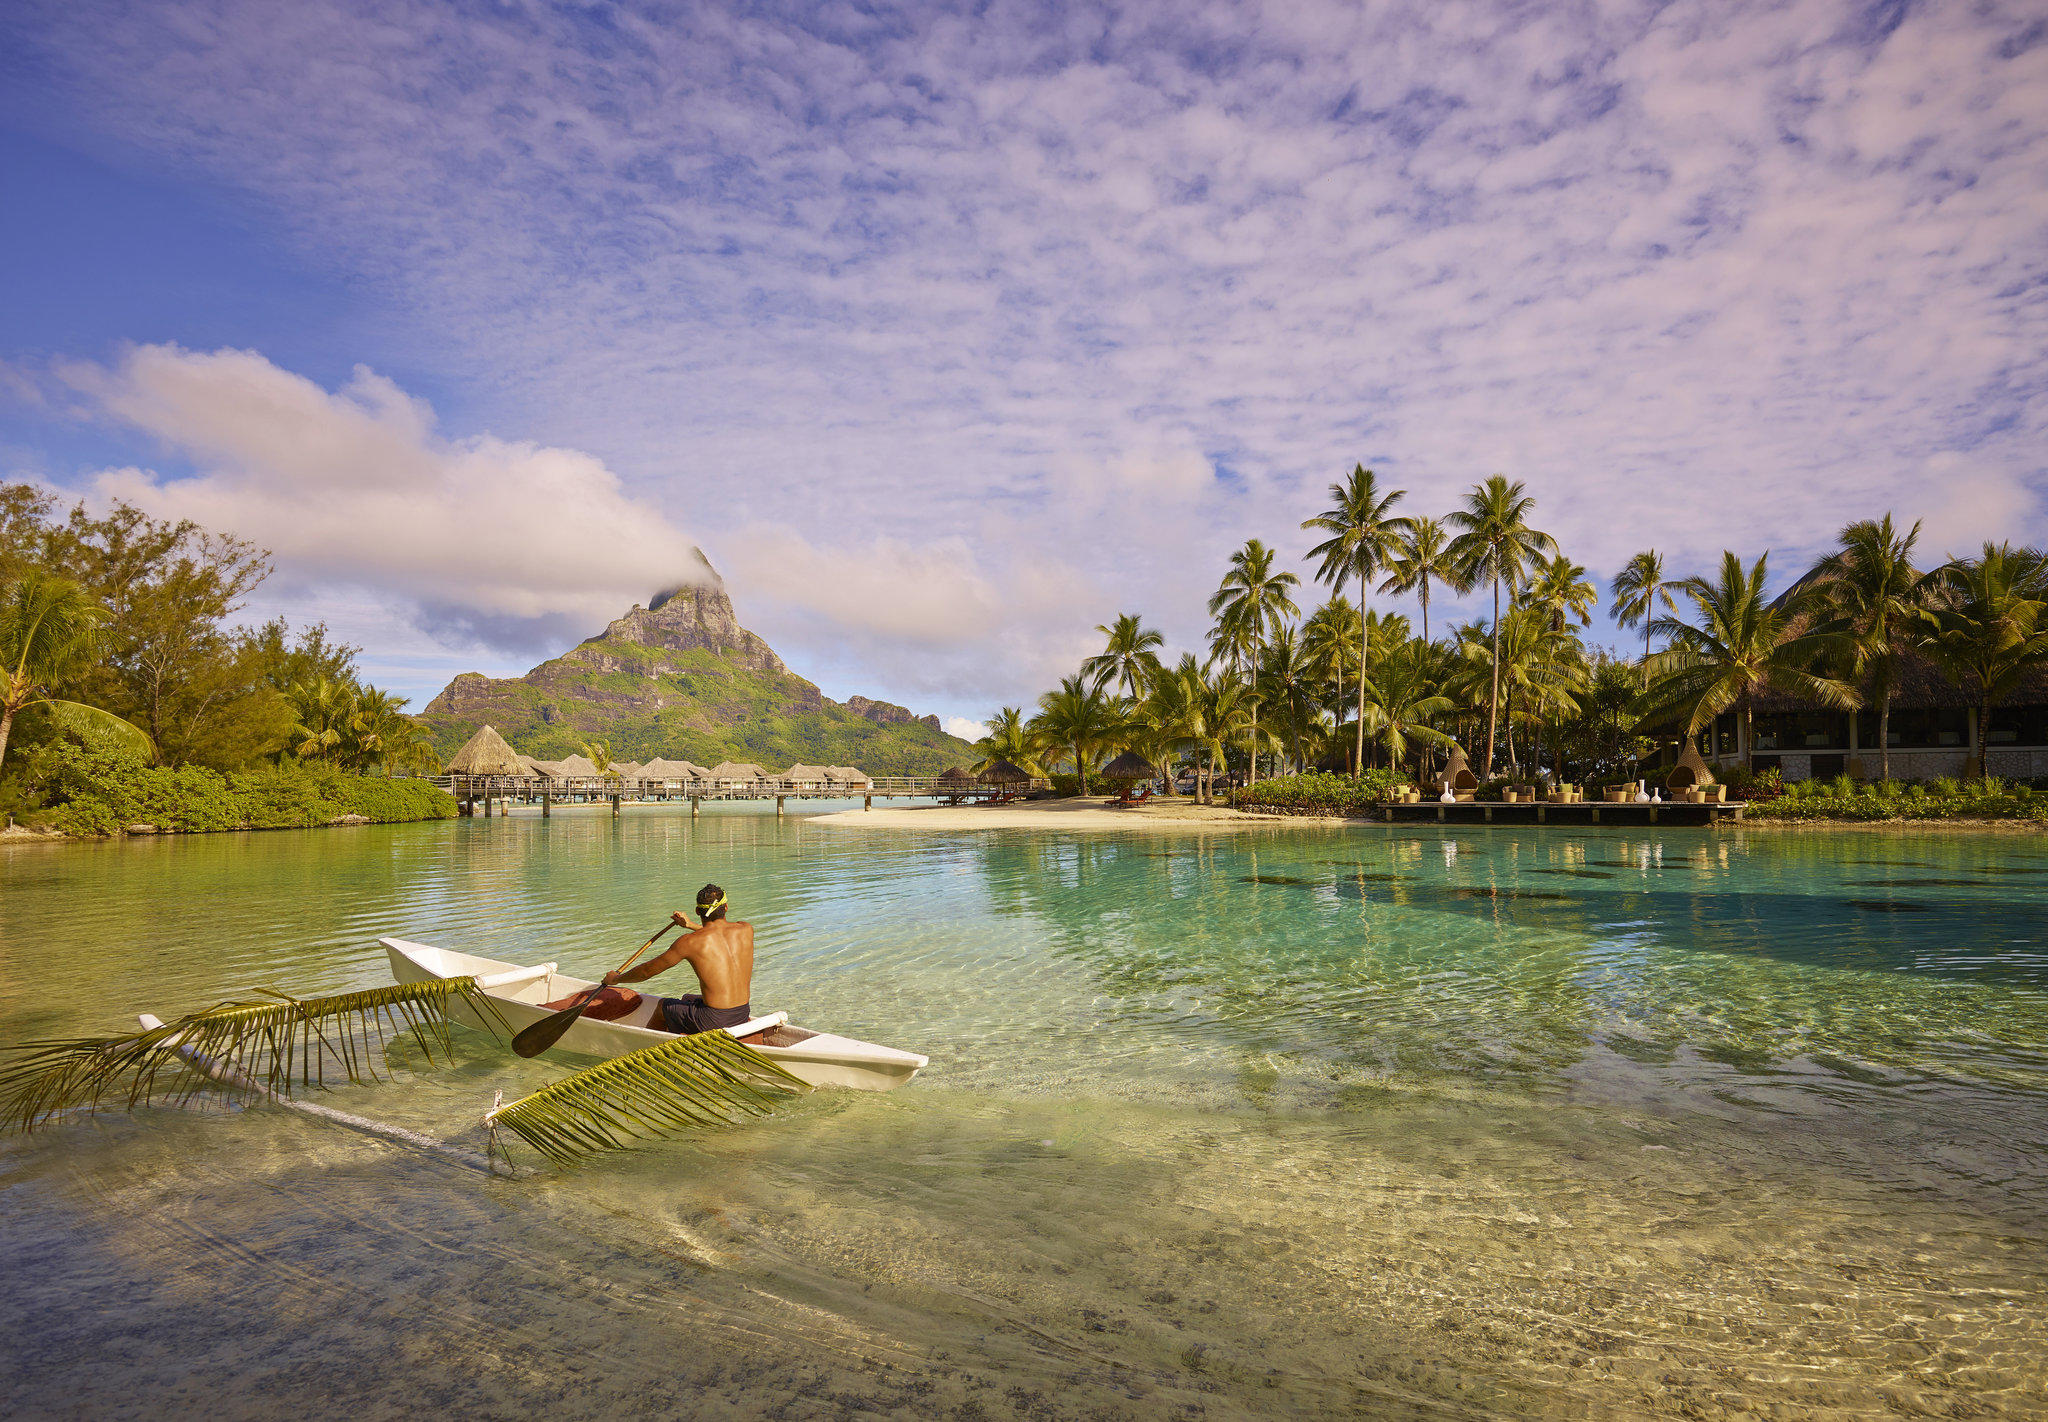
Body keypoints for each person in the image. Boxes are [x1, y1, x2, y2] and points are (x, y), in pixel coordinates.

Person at [603, 882, 754, 1035]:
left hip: (714, 1020)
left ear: (697, 911)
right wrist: (689, 925)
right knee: (687, 998)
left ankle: (649, 1047)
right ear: (726, 907)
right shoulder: (746, 929)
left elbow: (647, 971)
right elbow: (718, 936)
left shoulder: (688, 942)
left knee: (663, 1006)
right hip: (742, 1013)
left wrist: (616, 979)